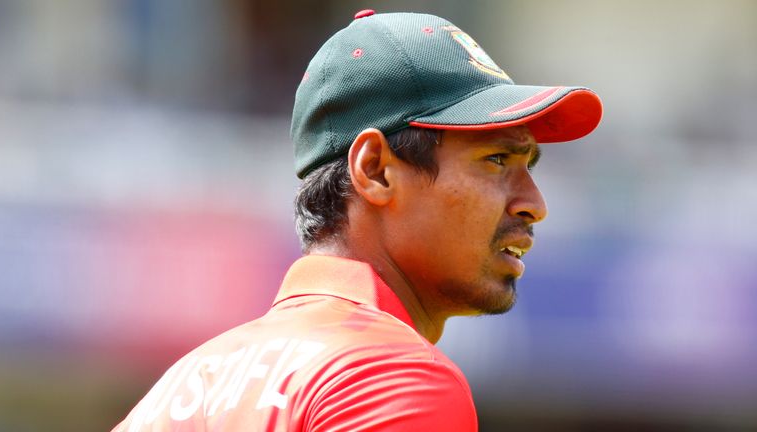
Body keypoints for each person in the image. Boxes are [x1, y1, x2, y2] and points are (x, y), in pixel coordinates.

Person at [112, 10, 602, 432]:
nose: (533, 204)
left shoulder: (177, 388)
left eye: (529, 168)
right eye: (497, 160)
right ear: (374, 170)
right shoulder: (389, 375)